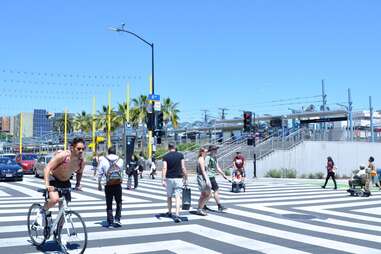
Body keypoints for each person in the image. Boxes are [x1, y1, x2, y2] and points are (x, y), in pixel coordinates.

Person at [42, 138, 86, 216]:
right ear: (72, 148)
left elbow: (79, 172)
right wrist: (47, 185)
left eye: (83, 149)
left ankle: (59, 228)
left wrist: (78, 184)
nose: (81, 151)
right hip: (54, 178)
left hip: (65, 181)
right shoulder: (63, 155)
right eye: (79, 148)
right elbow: (47, 168)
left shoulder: (81, 161)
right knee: (54, 199)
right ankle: (42, 211)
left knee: (64, 209)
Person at [97, 146, 124, 227]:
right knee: (119, 202)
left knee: (109, 203)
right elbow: (122, 172)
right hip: (117, 184)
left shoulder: (103, 160)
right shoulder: (120, 160)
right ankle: (117, 219)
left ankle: (110, 221)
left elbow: (99, 173)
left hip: (108, 184)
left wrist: (99, 184)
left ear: (108, 152)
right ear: (115, 152)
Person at [162, 143, 187, 223]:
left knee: (169, 196)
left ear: (168, 148)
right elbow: (183, 167)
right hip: (178, 178)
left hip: (169, 178)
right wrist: (185, 176)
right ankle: (177, 214)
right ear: (175, 147)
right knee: (177, 197)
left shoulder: (165, 156)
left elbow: (164, 168)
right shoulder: (180, 155)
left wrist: (163, 179)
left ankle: (169, 212)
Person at [204, 145, 229, 212]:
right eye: (215, 149)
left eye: (216, 149)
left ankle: (203, 205)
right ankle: (219, 206)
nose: (216, 151)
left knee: (210, 193)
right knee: (215, 191)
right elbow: (205, 167)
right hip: (209, 176)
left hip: (212, 176)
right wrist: (206, 177)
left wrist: (223, 175)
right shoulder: (208, 157)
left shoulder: (214, 158)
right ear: (211, 150)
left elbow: (217, 167)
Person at [195, 147, 211, 216]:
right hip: (202, 177)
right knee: (205, 194)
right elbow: (203, 171)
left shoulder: (202, 159)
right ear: (202, 152)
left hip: (202, 177)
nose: (206, 153)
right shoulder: (201, 159)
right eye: (205, 152)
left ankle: (200, 208)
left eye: (207, 152)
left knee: (206, 194)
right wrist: (207, 180)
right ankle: (199, 209)